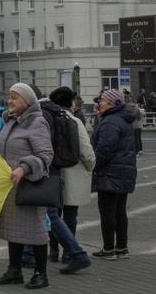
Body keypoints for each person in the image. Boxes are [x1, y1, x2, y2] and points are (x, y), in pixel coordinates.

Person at [0, 82, 54, 290]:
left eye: (14, 97)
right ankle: (14, 270)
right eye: (9, 96)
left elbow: (45, 155)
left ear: (27, 102)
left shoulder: (37, 122)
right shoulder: (10, 121)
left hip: (29, 186)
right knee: (13, 229)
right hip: (10, 186)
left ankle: (40, 274)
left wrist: (24, 168)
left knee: (35, 230)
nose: (10, 101)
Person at [46, 86, 95, 274]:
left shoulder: (49, 119)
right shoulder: (73, 120)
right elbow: (86, 150)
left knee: (53, 214)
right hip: (73, 174)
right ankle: (69, 252)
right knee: (70, 215)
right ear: (71, 102)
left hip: (54, 174)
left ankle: (53, 250)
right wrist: (91, 166)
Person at [90, 89, 137, 260]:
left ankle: (109, 249)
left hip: (110, 172)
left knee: (108, 212)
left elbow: (105, 149)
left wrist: (94, 166)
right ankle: (122, 247)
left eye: (102, 100)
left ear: (111, 103)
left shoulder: (110, 122)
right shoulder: (124, 119)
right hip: (123, 171)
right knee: (119, 211)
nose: (99, 103)